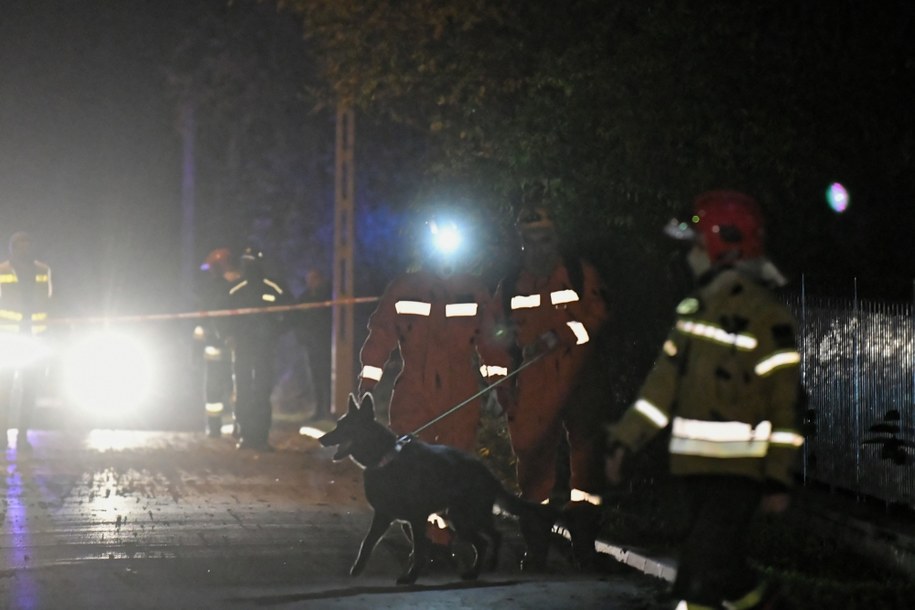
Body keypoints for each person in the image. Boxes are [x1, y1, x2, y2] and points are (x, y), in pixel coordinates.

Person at [604, 190, 805, 610]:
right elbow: (661, 388)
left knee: (696, 578)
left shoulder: (768, 318)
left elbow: (784, 406)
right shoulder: (694, 311)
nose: (690, 255)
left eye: (696, 245)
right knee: (727, 573)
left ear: (722, 246)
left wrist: (778, 478)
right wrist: (626, 440)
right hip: (693, 470)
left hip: (740, 473)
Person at [357, 213, 505, 548]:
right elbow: (381, 335)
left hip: (460, 391)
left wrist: (499, 383)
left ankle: (447, 528)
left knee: (454, 460)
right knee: (412, 463)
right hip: (414, 391)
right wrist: (368, 382)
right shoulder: (405, 288)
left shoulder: (473, 290)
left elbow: (491, 340)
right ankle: (431, 536)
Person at [489, 201, 611, 570]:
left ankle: (584, 548)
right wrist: (499, 384)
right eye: (531, 240)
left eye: (545, 239)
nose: (539, 247)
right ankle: (537, 550)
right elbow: (496, 339)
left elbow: (598, 314)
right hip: (534, 386)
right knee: (532, 466)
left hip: (580, 379)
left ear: (555, 239)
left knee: (586, 465)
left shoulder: (577, 273)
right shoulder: (511, 285)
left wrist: (559, 336)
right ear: (522, 243)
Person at [225, 247, 292, 452]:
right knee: (244, 391)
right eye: (245, 261)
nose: (248, 265)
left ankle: (260, 437)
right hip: (243, 349)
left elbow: (291, 313)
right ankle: (245, 435)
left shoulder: (274, 288)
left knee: (262, 392)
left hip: (264, 349)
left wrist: (276, 331)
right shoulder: (236, 290)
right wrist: (229, 336)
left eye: (251, 261)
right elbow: (223, 317)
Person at [0, 232, 53, 450]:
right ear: (12, 249)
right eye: (19, 246)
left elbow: (49, 300)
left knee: (30, 390)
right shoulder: (1, 271)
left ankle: (22, 436)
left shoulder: (43, 270)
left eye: (27, 245)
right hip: (8, 338)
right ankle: (2, 436)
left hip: (35, 337)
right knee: (4, 390)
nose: (24, 250)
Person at [193, 248, 241, 438]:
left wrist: (196, 351)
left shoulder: (230, 287)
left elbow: (204, 320)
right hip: (222, 349)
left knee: (232, 390)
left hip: (228, 348)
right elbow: (202, 321)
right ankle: (221, 427)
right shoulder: (227, 286)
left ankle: (221, 427)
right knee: (226, 391)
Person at [294, 268, 332, 421]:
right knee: (315, 377)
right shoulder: (304, 297)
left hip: (326, 342)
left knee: (328, 376)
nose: (311, 282)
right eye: (309, 279)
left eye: (314, 279)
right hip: (311, 343)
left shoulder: (329, 295)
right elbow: (297, 319)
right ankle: (319, 408)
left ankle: (330, 408)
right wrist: (301, 337)